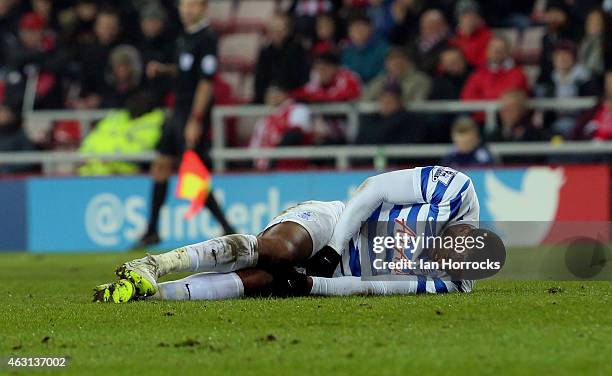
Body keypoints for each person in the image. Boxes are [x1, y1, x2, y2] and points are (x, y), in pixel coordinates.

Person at [94, 166, 504, 302]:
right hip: (336, 222)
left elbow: (376, 287)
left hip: (341, 270)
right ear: (465, 230)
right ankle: (153, 263)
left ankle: (153, 293)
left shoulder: (450, 285)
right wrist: (333, 247)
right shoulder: (453, 188)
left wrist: (314, 284)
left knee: (265, 284)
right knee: (278, 251)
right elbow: (374, 188)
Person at [136, 0, 235, 248]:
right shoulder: (184, 37)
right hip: (175, 112)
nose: (186, 10)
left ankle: (228, 228)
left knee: (193, 175)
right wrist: (164, 70)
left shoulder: (207, 38)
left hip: (190, 114)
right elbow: (184, 71)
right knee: (160, 165)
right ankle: (152, 230)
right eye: (184, 5)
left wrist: (195, 120)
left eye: (192, 5)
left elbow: (206, 82)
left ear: (203, 8)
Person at [249, 85, 313, 170]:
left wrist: (274, 158)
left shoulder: (297, 110)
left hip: (293, 168)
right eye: (269, 93)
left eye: (276, 92)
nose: (272, 96)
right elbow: (254, 147)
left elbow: (295, 136)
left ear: (285, 94)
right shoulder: (263, 121)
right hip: (264, 170)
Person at [253, 12, 309, 104]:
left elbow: (300, 79)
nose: (276, 33)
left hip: (293, 100)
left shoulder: (298, 50)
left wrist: (285, 94)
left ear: (288, 30)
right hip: (268, 100)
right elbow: (259, 82)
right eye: (273, 29)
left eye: (279, 29)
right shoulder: (265, 53)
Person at [461, 35, 529, 102]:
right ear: (487, 51)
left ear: (508, 52)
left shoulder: (517, 74)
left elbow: (511, 98)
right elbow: (467, 97)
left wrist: (485, 99)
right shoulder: (478, 74)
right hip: (483, 112)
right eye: (493, 48)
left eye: (501, 48)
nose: (496, 51)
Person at [357, 82, 425, 144]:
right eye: (383, 100)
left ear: (400, 102)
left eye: (390, 101)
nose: (386, 104)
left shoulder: (411, 120)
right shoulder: (371, 119)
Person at [362, 47, 431, 102]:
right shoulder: (380, 80)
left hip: (408, 118)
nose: (396, 63)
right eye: (392, 61)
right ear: (386, 64)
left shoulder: (421, 80)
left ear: (409, 62)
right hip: (380, 118)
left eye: (400, 61)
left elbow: (418, 104)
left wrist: (394, 102)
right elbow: (365, 99)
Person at [340, 11, 388, 83]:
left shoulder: (382, 48)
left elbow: (385, 73)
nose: (359, 31)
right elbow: (344, 74)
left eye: (362, 27)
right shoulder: (347, 51)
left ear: (371, 28)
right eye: (354, 28)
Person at [449, 0, 492, 68]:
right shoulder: (453, 38)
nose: (470, 20)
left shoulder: (488, 36)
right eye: (465, 16)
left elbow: (484, 62)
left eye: (473, 16)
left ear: (479, 18)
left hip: (477, 73)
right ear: (459, 19)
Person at [574, 70, 612, 140]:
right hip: (592, 148)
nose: (610, 86)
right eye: (608, 82)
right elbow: (577, 132)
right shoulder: (594, 110)